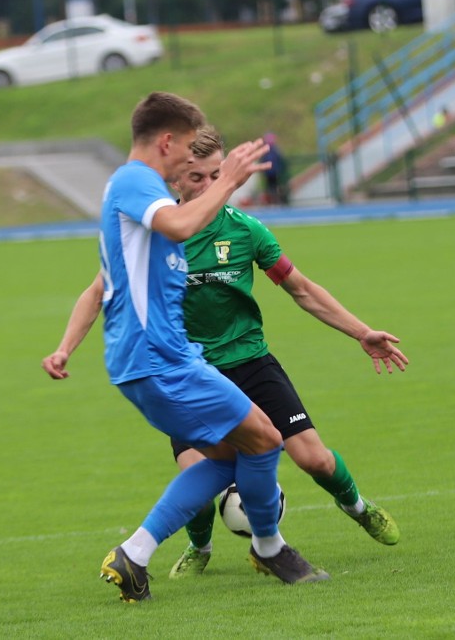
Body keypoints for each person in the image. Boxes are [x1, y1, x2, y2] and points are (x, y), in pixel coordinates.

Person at [43, 126, 407, 580]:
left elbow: (302, 289)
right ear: (176, 178)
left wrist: (361, 332)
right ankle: (205, 546)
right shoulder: (157, 231)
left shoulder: (245, 230)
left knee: (313, 458)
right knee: (200, 468)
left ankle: (356, 506)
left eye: (219, 175)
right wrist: (64, 348)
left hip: (249, 361)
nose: (211, 186)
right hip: (187, 370)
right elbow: (99, 291)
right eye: (198, 178)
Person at [80, 91, 327, 601]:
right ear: (167, 140)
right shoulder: (137, 181)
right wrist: (232, 180)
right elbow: (181, 224)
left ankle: (136, 555)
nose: (190, 162)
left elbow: (109, 278)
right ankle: (268, 547)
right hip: (160, 358)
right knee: (264, 439)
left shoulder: (133, 187)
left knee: (228, 455)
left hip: (155, 358)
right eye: (188, 149)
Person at [261, 132, 289, 205]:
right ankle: (272, 201)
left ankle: (277, 200)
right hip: (269, 173)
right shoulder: (267, 150)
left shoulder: (275, 150)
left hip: (275, 172)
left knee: (277, 187)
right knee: (270, 188)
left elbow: (280, 160)